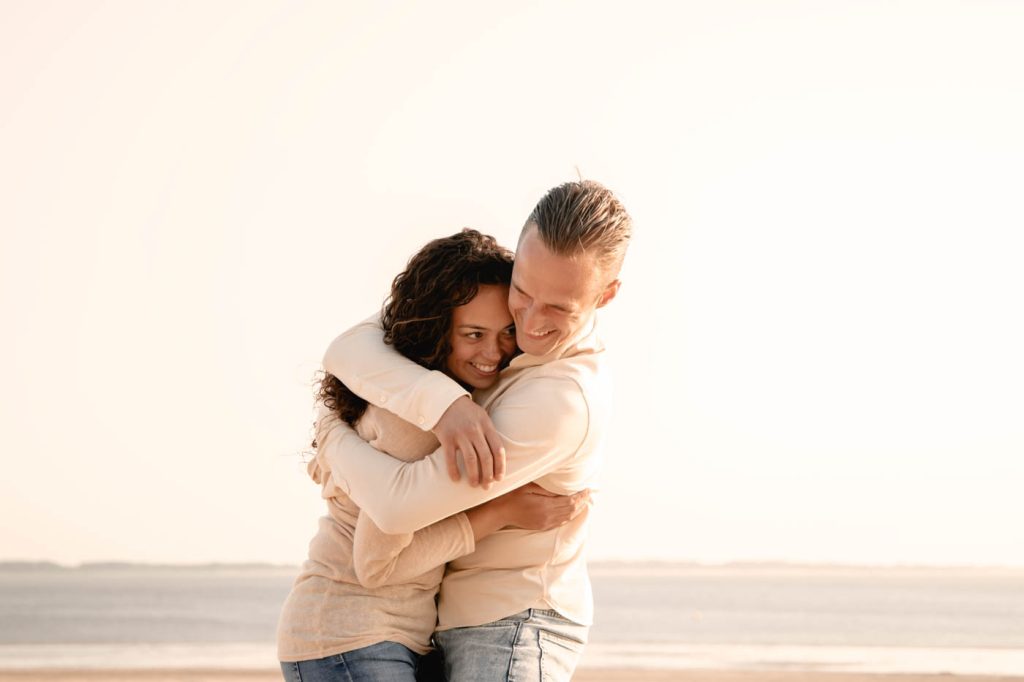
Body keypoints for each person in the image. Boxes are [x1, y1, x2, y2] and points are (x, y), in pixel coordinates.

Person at [316, 180, 633, 681]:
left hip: (514, 622)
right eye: (523, 292)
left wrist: (333, 440)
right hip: (452, 624)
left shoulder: (561, 401)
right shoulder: (492, 317)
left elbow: (399, 505)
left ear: (606, 295)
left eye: (559, 308)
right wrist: (446, 405)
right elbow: (349, 348)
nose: (530, 321)